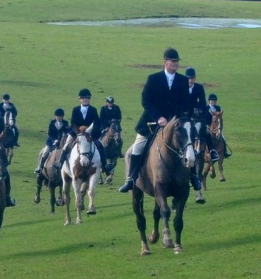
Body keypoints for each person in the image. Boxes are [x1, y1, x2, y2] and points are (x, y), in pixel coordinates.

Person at [119, 48, 192, 193]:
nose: (176, 64)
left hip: (175, 123)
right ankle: (131, 178)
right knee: (139, 146)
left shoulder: (183, 81)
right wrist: (158, 117)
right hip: (151, 122)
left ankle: (194, 176)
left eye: (177, 61)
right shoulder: (153, 78)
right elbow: (146, 101)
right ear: (165, 62)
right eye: (173, 61)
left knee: (189, 144)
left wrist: (176, 119)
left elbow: (185, 102)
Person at [62, 89, 108, 169]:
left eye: (87, 98)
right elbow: (73, 123)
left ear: (89, 99)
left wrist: (91, 131)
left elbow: (97, 123)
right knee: (67, 144)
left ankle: (105, 166)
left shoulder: (93, 110)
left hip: (89, 133)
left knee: (100, 145)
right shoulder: (75, 109)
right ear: (80, 99)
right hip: (77, 132)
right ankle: (60, 163)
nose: (85, 100)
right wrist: (78, 131)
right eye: (83, 98)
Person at [185, 68, 220, 163]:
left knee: (206, 129)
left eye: (192, 78)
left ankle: (212, 150)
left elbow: (202, 103)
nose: (190, 80)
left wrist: (200, 112)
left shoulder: (199, 88)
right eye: (188, 78)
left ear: (195, 78)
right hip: (184, 115)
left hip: (197, 115)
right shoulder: (181, 87)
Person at [34, 108, 70, 174]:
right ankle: (40, 167)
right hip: (51, 142)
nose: (59, 118)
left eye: (60, 116)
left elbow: (67, 131)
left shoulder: (65, 123)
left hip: (62, 143)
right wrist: (55, 140)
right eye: (57, 116)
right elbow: (50, 133)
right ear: (55, 116)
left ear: (62, 117)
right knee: (45, 152)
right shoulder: (52, 123)